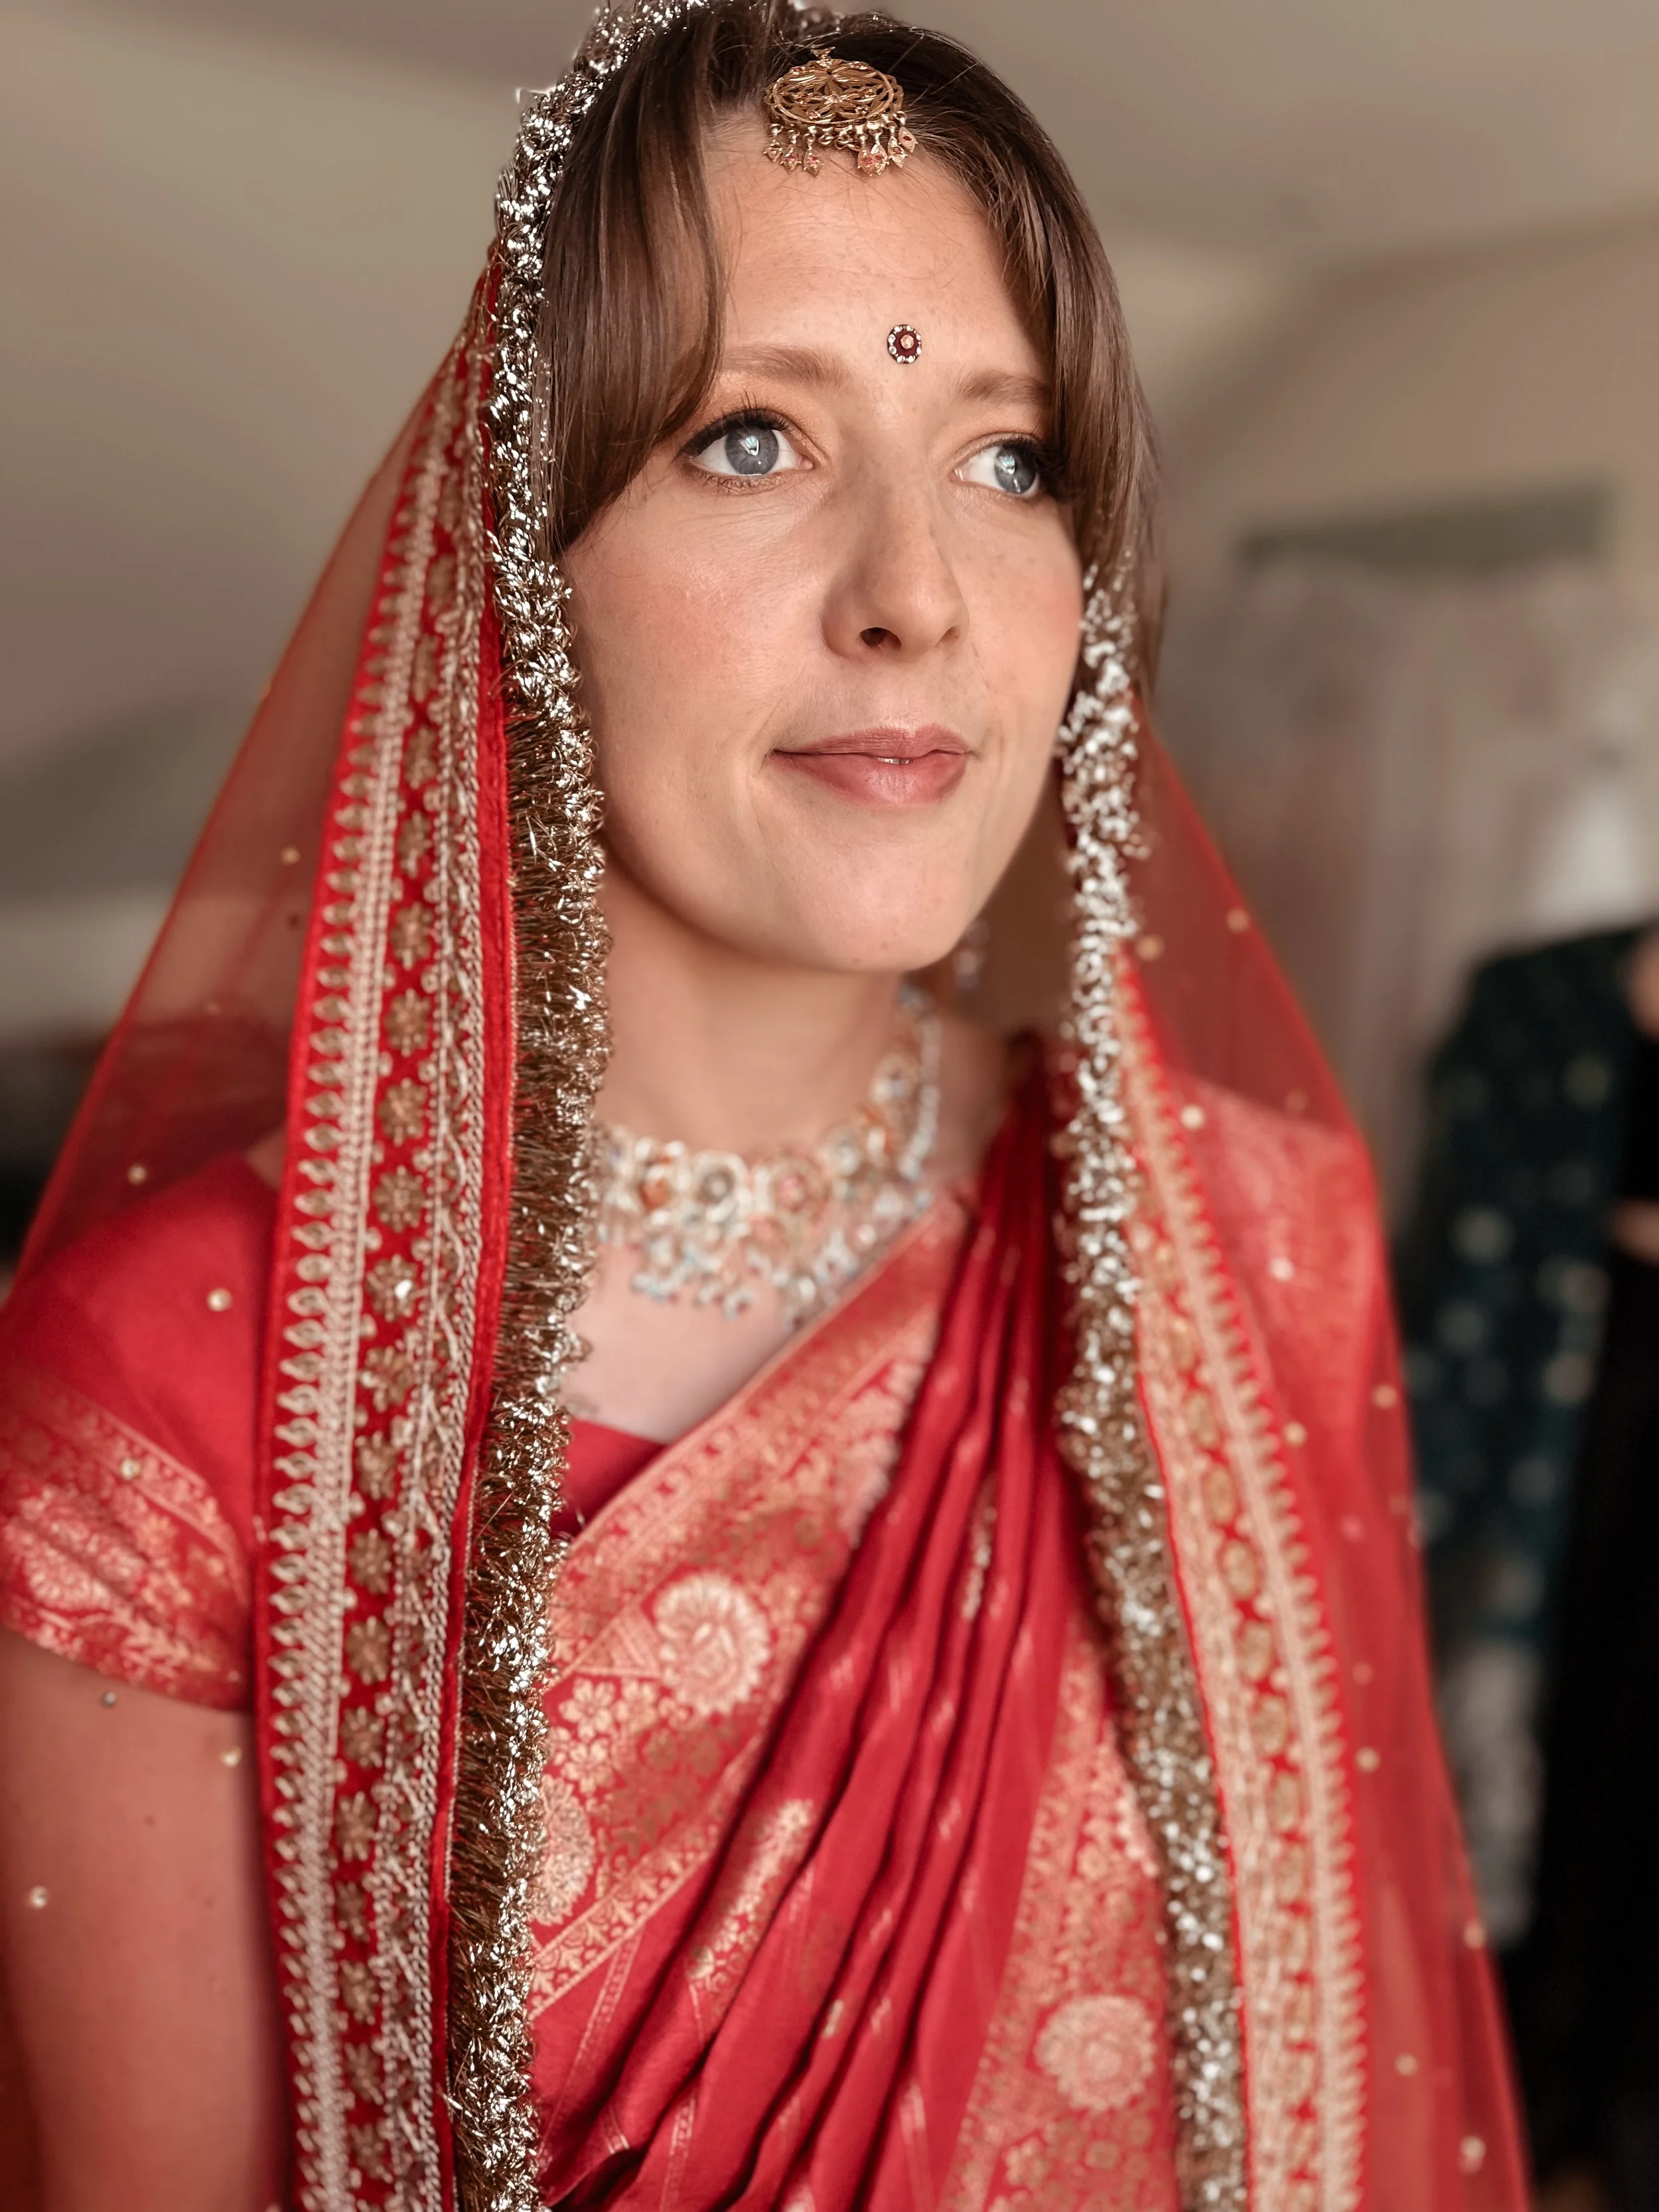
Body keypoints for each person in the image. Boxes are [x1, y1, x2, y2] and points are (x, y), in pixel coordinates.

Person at [0, 5, 1523, 2207]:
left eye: (1010, 461)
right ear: (522, 569)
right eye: (750, 438)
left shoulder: (1249, 1234)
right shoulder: (181, 1382)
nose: (915, 595)